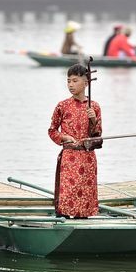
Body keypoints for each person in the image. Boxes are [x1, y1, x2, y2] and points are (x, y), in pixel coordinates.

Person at [48, 63, 102, 218]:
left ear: (86, 83)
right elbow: (52, 131)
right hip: (70, 157)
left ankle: (82, 223)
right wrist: (63, 137)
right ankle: (64, 221)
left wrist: (93, 121)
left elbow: (97, 137)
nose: (70, 85)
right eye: (68, 81)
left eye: (75, 81)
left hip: (87, 158)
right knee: (67, 194)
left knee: (85, 196)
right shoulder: (62, 106)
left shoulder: (95, 107)